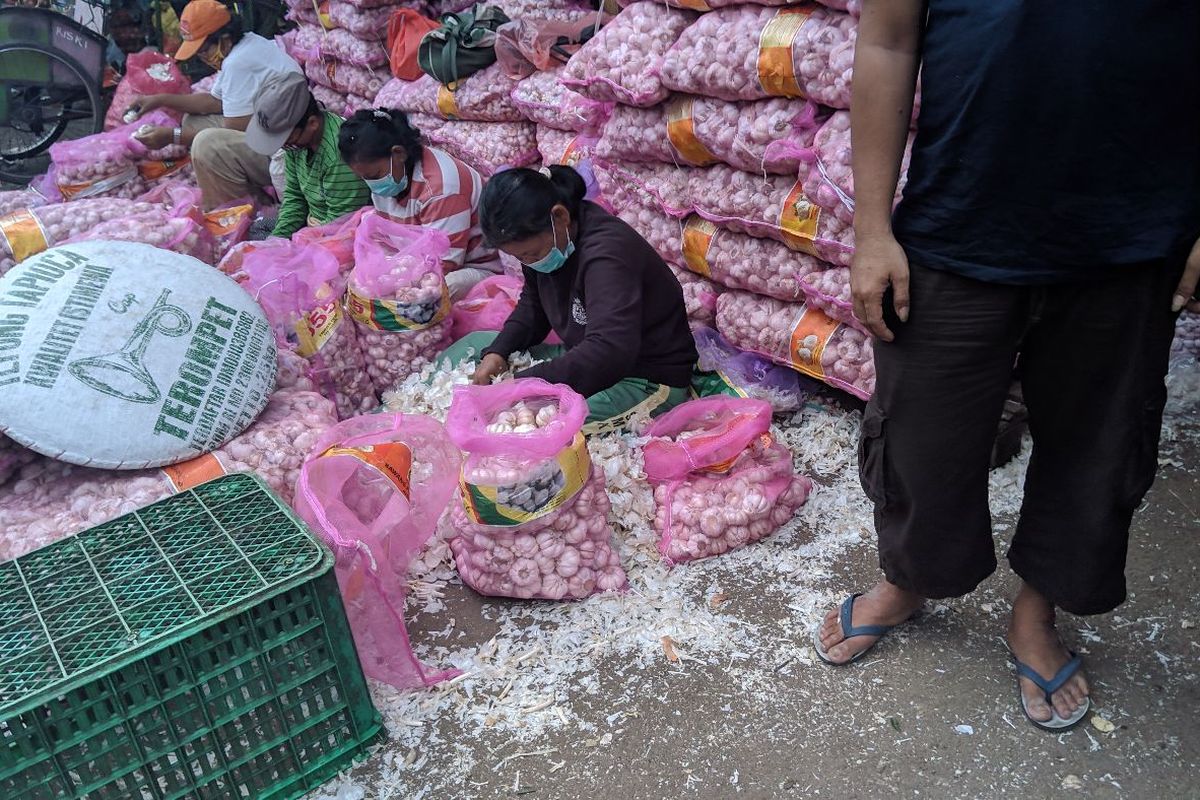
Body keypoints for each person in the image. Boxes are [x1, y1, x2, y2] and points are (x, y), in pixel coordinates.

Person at [813, 0, 1200, 732]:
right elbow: (889, 41)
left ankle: (1036, 610)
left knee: (1100, 448)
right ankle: (911, 579)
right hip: (958, 223)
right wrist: (871, 230)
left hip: (1135, 236)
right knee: (920, 435)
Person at [439, 166, 698, 435]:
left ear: (559, 216)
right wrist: (498, 352)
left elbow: (610, 350)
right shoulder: (549, 239)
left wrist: (520, 385)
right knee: (474, 346)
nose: (528, 262)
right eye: (520, 258)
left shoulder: (607, 256)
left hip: (644, 378)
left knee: (541, 431)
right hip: (586, 352)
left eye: (530, 254)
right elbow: (533, 305)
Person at [127, 0, 301, 209]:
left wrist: (172, 136)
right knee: (193, 120)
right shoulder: (247, 44)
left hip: (288, 149)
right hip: (269, 130)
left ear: (224, 39)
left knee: (207, 145)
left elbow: (234, 127)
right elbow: (213, 101)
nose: (202, 57)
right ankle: (254, 197)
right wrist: (159, 100)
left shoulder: (239, 61)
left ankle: (236, 213)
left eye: (204, 50)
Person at [337, 108, 501, 299]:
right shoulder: (391, 175)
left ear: (398, 153)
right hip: (419, 260)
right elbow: (386, 234)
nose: (372, 184)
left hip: (471, 267)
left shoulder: (440, 189)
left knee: (433, 292)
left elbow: (444, 264)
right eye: (364, 178)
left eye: (374, 176)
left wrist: (396, 284)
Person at [243, 72, 371, 238]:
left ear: (312, 123)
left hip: (338, 234)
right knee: (258, 229)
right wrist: (278, 238)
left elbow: (341, 224)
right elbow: (295, 197)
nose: (283, 145)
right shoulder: (296, 146)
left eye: (287, 138)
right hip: (312, 225)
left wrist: (305, 237)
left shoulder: (339, 156)